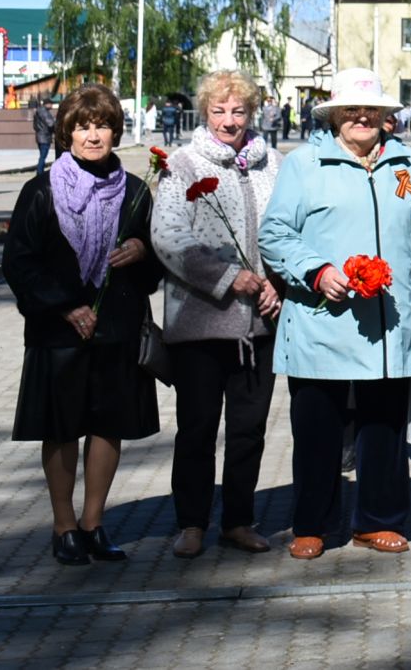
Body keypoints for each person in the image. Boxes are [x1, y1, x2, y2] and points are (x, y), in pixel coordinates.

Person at [257, 67, 411, 559]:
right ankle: (312, 525)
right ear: (335, 116)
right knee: (318, 430)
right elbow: (275, 235)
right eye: (352, 110)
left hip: (391, 321)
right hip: (322, 320)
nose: (363, 118)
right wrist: (316, 271)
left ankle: (377, 520)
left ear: (387, 116)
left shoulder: (408, 163)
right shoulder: (304, 164)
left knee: (384, 429)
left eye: (373, 111)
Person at [2, 83, 163, 565]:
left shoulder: (135, 192)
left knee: (107, 425)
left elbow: (157, 265)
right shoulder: (41, 191)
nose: (93, 135)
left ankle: (94, 523)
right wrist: (65, 306)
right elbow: (20, 263)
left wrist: (141, 252)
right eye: (82, 127)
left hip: (115, 327)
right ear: (66, 134)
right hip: (59, 330)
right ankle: (63, 525)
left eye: (103, 126)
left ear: (116, 130)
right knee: (61, 427)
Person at [151, 70, 285, 558]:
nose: (229, 121)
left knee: (249, 430)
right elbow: (168, 237)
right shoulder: (183, 165)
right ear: (204, 112)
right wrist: (229, 277)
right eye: (219, 111)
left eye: (239, 111)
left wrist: (279, 284)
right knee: (198, 427)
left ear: (253, 113)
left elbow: (293, 230)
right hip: (201, 321)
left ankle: (238, 520)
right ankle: (191, 523)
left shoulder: (273, 164)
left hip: (261, 323)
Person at [31, 97, 56, 176]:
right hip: (45, 137)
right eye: (51, 104)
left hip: (40, 136)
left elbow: (35, 126)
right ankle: (39, 172)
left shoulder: (39, 111)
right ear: (47, 104)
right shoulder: (44, 112)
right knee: (43, 156)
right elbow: (50, 123)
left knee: (42, 156)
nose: (52, 105)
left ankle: (39, 172)